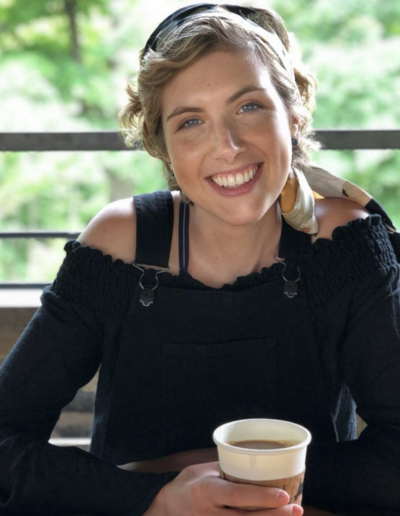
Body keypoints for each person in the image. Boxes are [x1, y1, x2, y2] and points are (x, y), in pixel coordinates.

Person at [1, 3, 400, 516]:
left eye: (249, 107)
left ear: (295, 113)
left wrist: (215, 472)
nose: (227, 146)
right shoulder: (120, 246)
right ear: (160, 144)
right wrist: (159, 498)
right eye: (190, 121)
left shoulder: (345, 243)